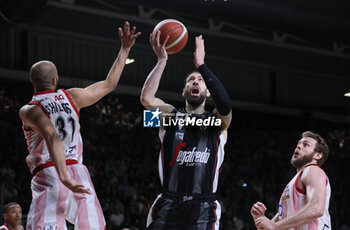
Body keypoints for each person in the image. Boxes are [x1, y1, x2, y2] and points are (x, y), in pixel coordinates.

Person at [19, 21, 140, 229]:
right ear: (55, 80)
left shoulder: (30, 110)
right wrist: (125, 48)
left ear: (32, 81)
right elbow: (108, 84)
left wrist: (63, 177)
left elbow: (52, 136)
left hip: (50, 173)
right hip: (78, 171)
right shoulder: (72, 97)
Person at [140, 31, 232, 229]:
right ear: (184, 91)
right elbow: (146, 100)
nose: (196, 81)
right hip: (169, 201)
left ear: (208, 92)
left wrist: (201, 65)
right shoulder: (168, 117)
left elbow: (224, 104)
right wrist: (162, 60)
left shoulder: (218, 122)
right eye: (191, 79)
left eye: (200, 80)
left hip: (203, 206)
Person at [250, 131, 331, 230]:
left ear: (318, 155)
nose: (299, 146)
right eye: (298, 144)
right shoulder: (294, 182)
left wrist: (275, 226)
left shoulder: (313, 170)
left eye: (305, 145)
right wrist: (260, 219)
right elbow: (272, 227)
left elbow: (316, 208)